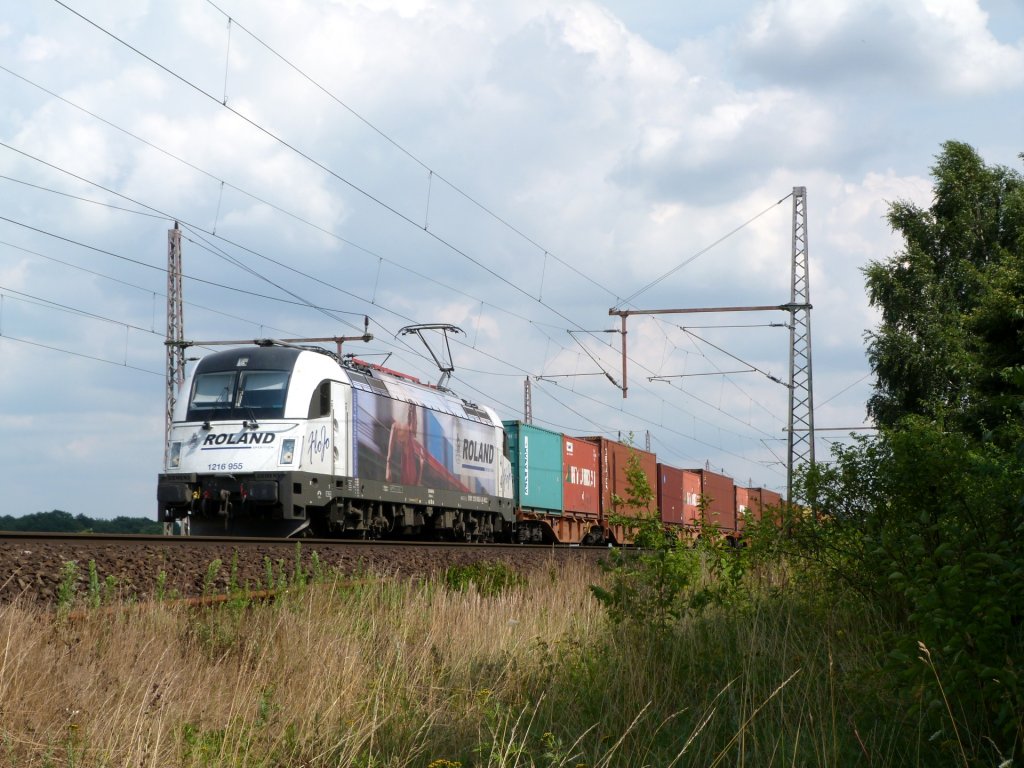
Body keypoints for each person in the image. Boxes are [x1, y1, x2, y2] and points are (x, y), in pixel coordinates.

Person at [385, 403, 424, 484]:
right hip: (405, 470)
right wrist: (388, 468)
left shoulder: (409, 432)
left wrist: (421, 464)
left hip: (409, 471)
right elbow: (390, 451)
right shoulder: (397, 427)